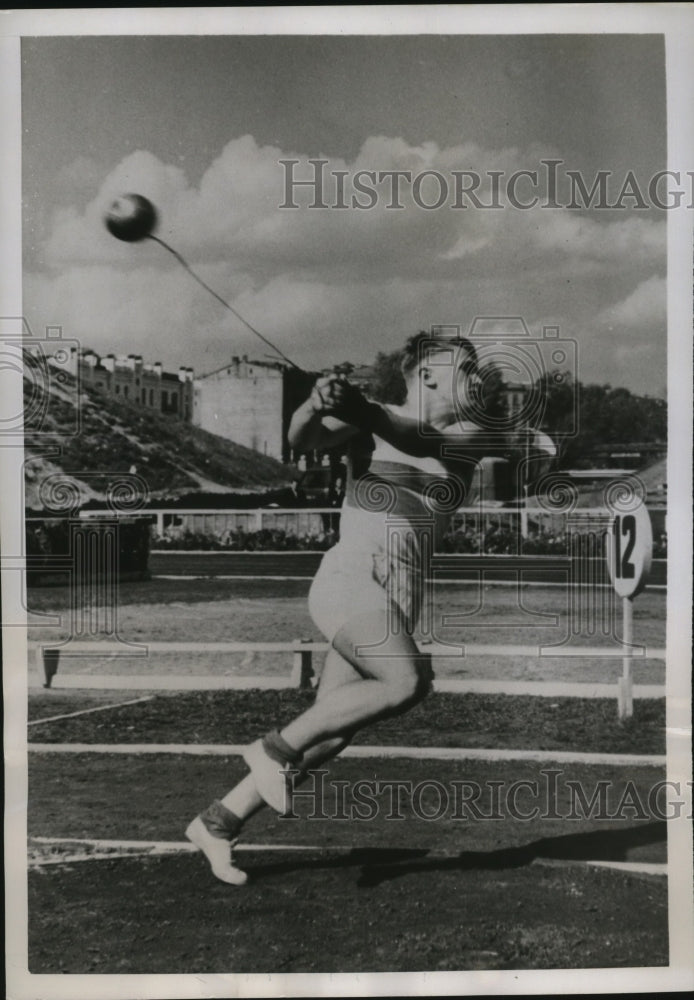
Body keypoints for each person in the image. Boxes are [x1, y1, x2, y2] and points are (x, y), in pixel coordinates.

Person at [185, 331, 535, 884]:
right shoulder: (370, 418)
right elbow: (303, 436)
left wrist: (359, 406)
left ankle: (218, 821)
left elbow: (411, 434)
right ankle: (270, 750)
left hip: (398, 594)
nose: (476, 379)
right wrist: (315, 402)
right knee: (405, 682)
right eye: (464, 369)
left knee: (329, 734)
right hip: (353, 576)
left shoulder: (464, 433)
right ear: (425, 375)